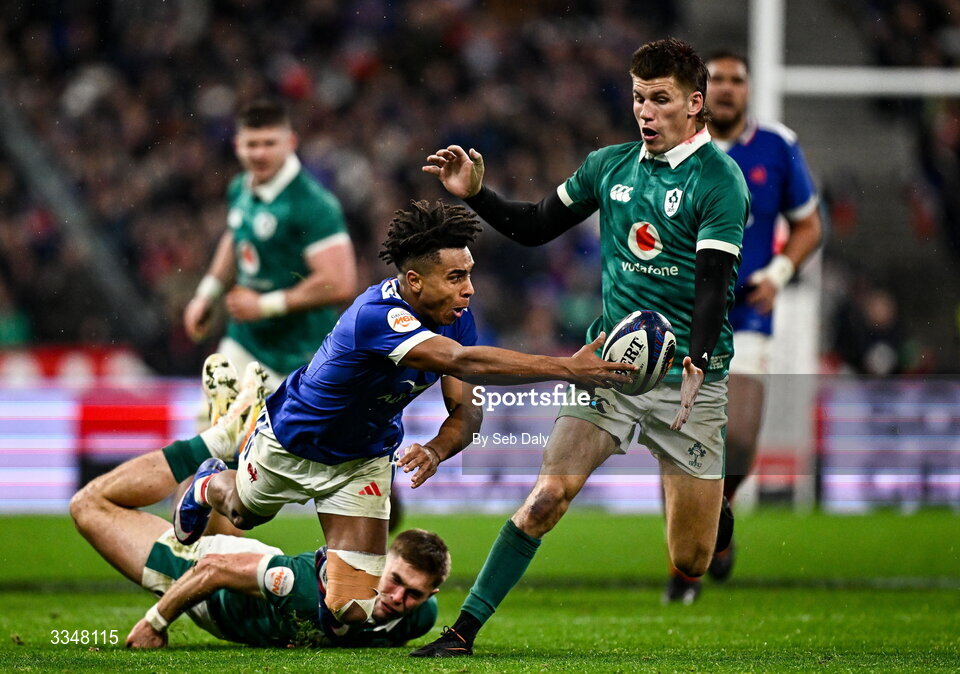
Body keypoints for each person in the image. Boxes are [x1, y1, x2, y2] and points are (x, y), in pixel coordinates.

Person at [412, 37, 749, 656]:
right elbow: (536, 225)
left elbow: (713, 286)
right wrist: (477, 195)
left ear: (696, 104)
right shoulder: (609, 167)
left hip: (690, 380)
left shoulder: (720, 181)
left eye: (661, 99)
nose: (645, 112)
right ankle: (463, 632)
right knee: (546, 498)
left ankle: (719, 514)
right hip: (609, 371)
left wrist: (698, 360)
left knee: (692, 558)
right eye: (638, 98)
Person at [174, 199, 634, 636]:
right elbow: (462, 362)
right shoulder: (376, 315)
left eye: (469, 275)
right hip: (292, 441)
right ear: (414, 281)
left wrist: (437, 448)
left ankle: (326, 571)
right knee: (241, 511)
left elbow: (467, 410)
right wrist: (566, 368)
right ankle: (207, 482)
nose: (469, 289)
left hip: (363, 459)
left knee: (351, 611)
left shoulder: (457, 318)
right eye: (456, 277)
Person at [67, 375, 450, 648]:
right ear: (380, 562)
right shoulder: (306, 587)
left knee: (200, 516)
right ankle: (215, 441)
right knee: (88, 505)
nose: (398, 597)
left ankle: (224, 449)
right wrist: (155, 623)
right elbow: (213, 570)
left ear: (430, 593)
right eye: (395, 579)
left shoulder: (421, 616)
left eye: (413, 593)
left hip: (247, 563)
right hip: (204, 585)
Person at [661, 50, 824, 603]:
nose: (729, 88)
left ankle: (716, 518)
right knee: (676, 439)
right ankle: (686, 569)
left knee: (744, 442)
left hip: (746, 310)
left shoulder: (777, 145)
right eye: (718, 80)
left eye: (738, 80)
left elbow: (808, 224)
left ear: (748, 90)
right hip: (679, 313)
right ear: (700, 93)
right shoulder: (669, 145)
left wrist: (779, 272)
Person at [183, 98, 357, 390]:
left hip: (299, 352)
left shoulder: (313, 204)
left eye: (269, 143)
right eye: (252, 144)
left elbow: (340, 283)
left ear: (290, 142)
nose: (259, 153)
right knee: (214, 431)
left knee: (278, 437)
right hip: (245, 341)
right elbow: (236, 236)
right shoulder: (240, 187)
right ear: (238, 145)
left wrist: (265, 305)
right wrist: (206, 294)